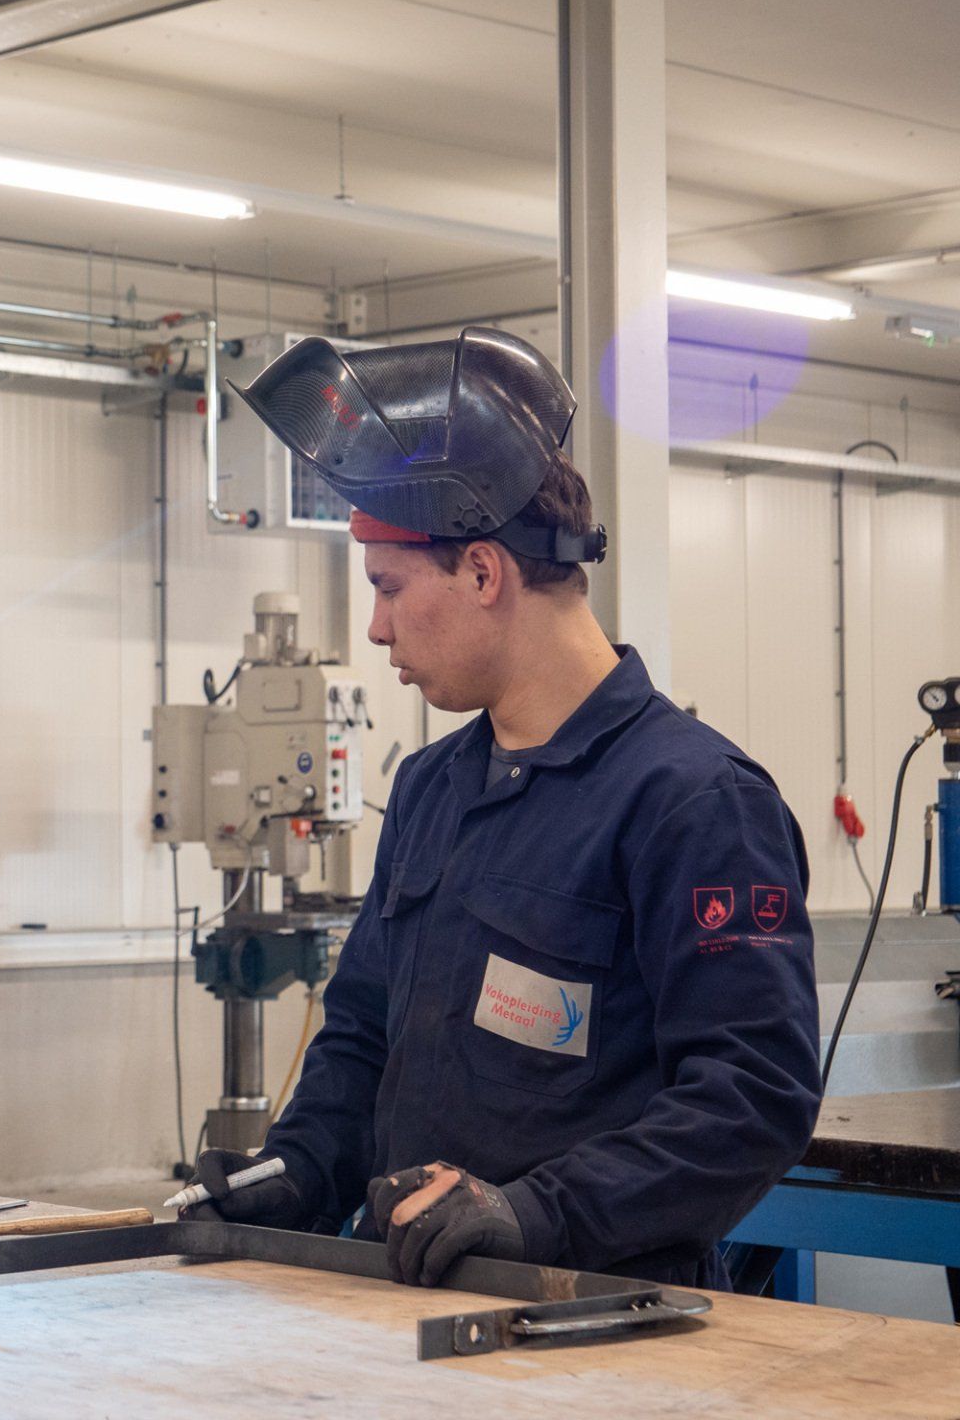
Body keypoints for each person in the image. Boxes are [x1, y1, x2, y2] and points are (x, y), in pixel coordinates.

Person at [184, 328, 822, 1289]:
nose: (376, 626)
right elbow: (361, 1034)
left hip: (603, 1326)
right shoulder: (433, 788)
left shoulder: (693, 803)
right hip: (411, 1308)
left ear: (484, 573)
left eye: (390, 589)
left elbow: (751, 1097)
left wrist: (536, 1214)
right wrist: (300, 1170)